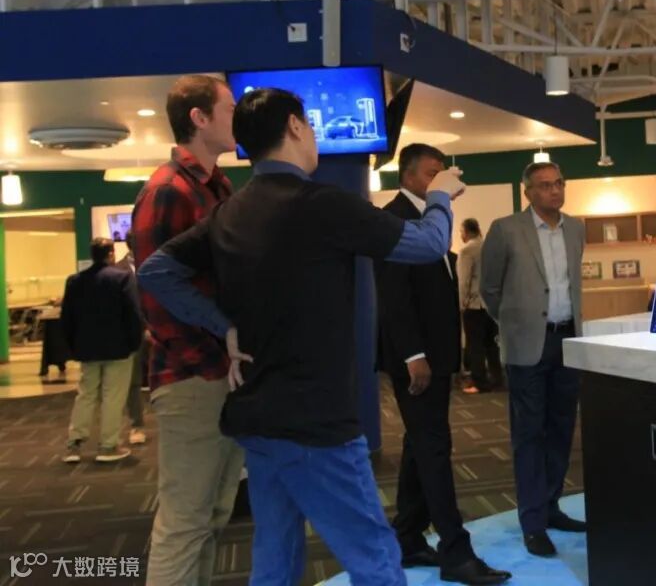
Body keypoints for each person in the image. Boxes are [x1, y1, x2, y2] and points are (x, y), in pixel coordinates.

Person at [138, 88, 474, 586]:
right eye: (311, 126)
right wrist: (440, 194)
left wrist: (222, 325)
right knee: (376, 559)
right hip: (318, 422)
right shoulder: (323, 205)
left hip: (258, 417)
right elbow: (428, 244)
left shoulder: (230, 210)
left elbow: (155, 271)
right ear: (295, 127)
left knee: (276, 557)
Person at [375, 145, 511, 586]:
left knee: (421, 444)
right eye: (434, 175)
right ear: (410, 177)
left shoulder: (430, 216)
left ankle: (408, 537)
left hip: (435, 355)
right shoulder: (395, 218)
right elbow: (393, 296)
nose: (443, 183)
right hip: (415, 359)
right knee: (433, 448)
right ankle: (456, 551)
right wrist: (413, 355)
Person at [130, 74, 243, 585]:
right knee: (185, 522)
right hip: (192, 376)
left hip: (220, 371)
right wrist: (215, 358)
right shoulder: (167, 190)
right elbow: (155, 299)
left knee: (213, 515)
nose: (238, 117)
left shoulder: (218, 186)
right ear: (199, 118)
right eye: (229, 108)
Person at [480, 161, 587, 557]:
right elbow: (490, 289)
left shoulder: (576, 228)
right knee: (529, 435)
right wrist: (516, 323)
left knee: (562, 430)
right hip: (527, 345)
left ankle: (552, 505)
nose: (554, 191)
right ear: (527, 192)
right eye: (544, 185)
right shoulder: (506, 229)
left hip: (567, 340)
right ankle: (533, 522)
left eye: (559, 183)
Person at [61, 238, 142, 464]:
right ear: (111, 254)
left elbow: (67, 318)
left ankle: (74, 443)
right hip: (119, 348)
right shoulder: (122, 278)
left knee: (86, 394)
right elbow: (133, 314)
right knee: (113, 396)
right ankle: (108, 445)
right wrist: (134, 343)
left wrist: (73, 346)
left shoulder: (75, 281)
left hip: (87, 349)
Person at [457, 218, 502, 394]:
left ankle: (480, 382)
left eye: (461, 232)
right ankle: (497, 379)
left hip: (474, 304)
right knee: (492, 344)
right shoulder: (491, 247)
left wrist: (462, 303)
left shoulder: (467, 250)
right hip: (492, 304)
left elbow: (464, 281)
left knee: (475, 345)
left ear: (466, 232)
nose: (461, 235)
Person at [118, 230, 148, 446]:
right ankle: (137, 424)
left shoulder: (155, 263)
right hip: (134, 333)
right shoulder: (117, 271)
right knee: (133, 381)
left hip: (162, 329)